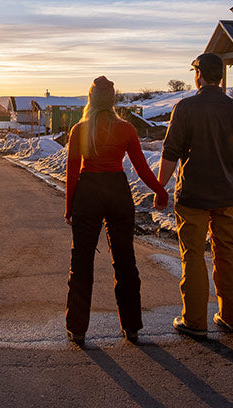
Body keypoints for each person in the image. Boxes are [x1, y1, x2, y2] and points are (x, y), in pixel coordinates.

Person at [65, 76, 168, 346]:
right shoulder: (126, 129)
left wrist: (70, 207)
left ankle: (77, 328)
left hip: (88, 192)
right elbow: (141, 167)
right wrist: (160, 190)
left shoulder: (79, 130)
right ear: (113, 100)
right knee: (124, 260)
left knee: (81, 262)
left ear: (90, 99)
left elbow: (72, 172)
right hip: (117, 192)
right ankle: (131, 327)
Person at [154, 53, 233, 338]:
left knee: (193, 255)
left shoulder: (185, 108)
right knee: (227, 253)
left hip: (193, 196)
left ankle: (194, 320)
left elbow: (170, 152)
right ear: (220, 76)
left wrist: (161, 188)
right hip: (226, 194)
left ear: (198, 74)